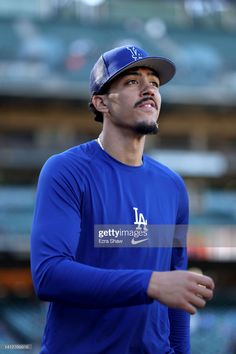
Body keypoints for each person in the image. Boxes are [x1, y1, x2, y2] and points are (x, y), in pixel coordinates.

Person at [30, 45, 215, 354]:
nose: (148, 89)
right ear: (101, 102)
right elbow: (49, 274)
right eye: (132, 82)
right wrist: (150, 284)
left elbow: (178, 291)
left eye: (154, 83)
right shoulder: (66, 170)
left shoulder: (172, 186)